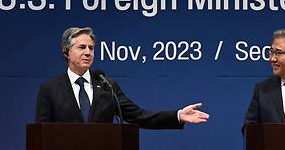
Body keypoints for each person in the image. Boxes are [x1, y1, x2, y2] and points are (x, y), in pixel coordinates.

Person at [36, 27, 209, 128]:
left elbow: (138, 116)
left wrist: (178, 115)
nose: (88, 52)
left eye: (91, 48)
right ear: (66, 52)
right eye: (82, 47)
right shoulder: (50, 88)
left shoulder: (106, 85)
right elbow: (41, 133)